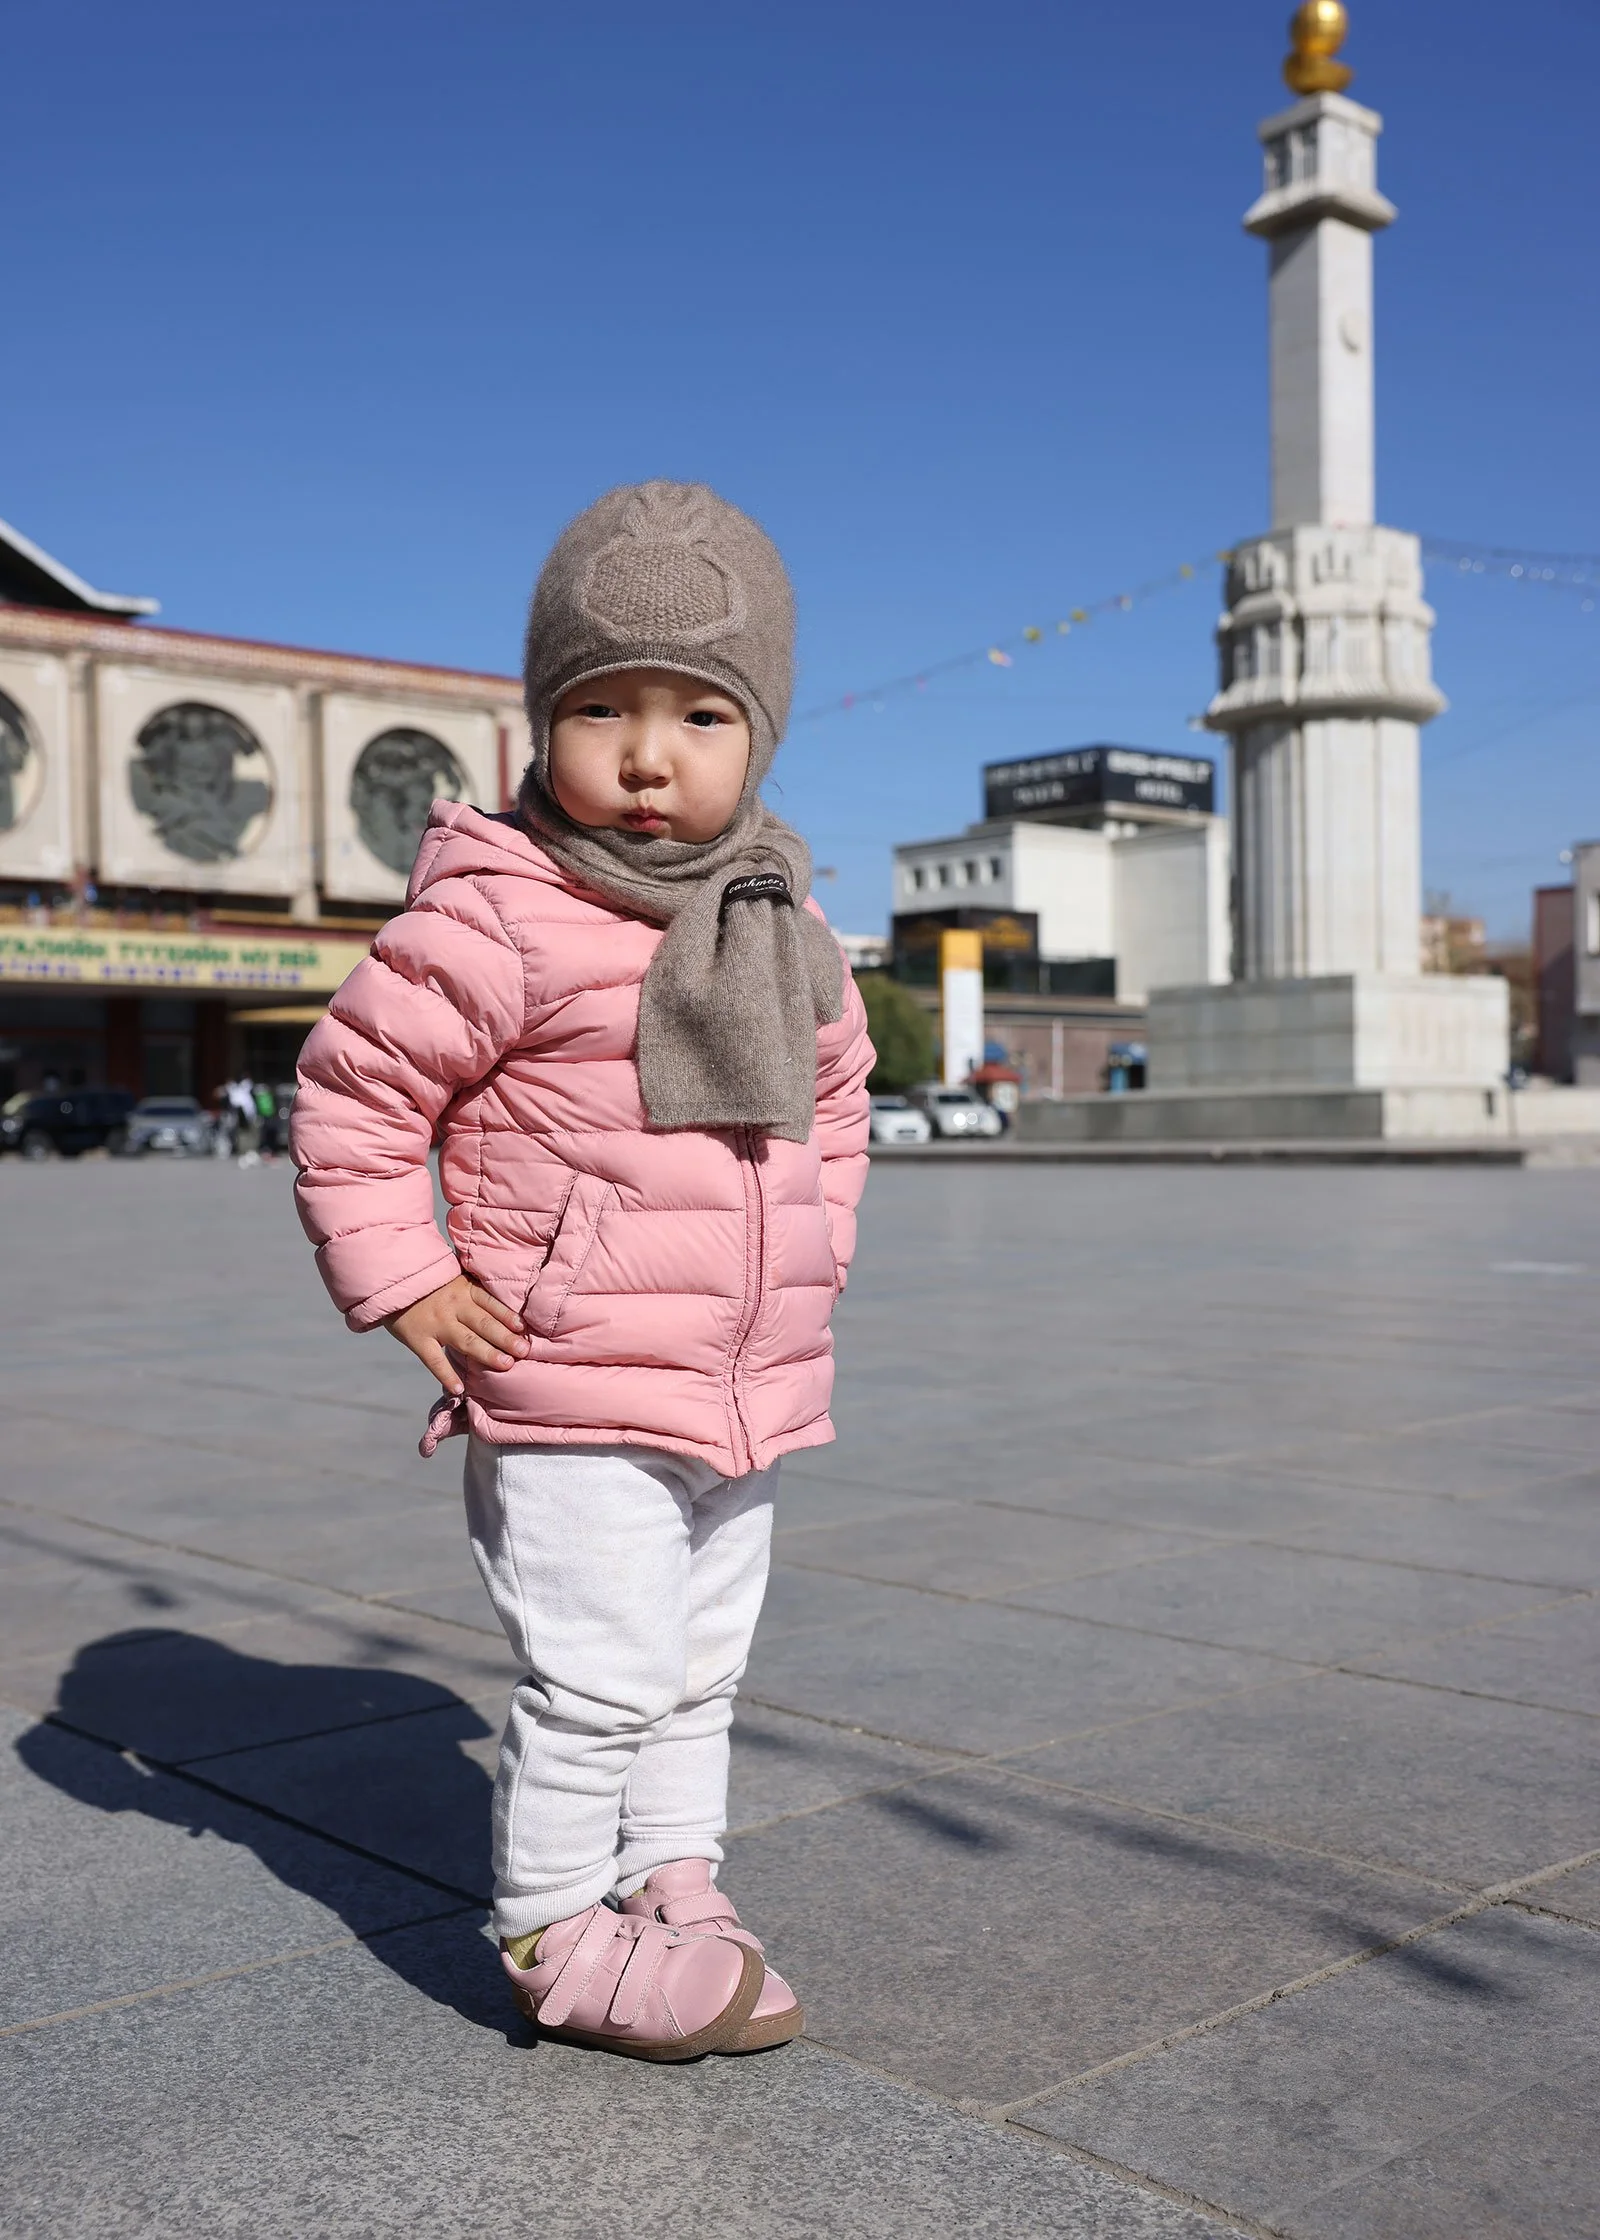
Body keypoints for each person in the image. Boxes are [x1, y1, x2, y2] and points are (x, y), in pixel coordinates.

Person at [290, 483, 873, 2062]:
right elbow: (353, 1097)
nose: (646, 754)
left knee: (699, 1665)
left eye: (699, 714)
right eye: (599, 708)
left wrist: (820, 1245)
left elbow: (836, 1097)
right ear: (542, 720)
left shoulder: (780, 915)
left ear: (761, 737)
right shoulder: (503, 915)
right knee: (599, 1670)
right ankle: (553, 1922)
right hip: (567, 1377)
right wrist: (407, 1278)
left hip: (737, 1375)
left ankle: (673, 1873)